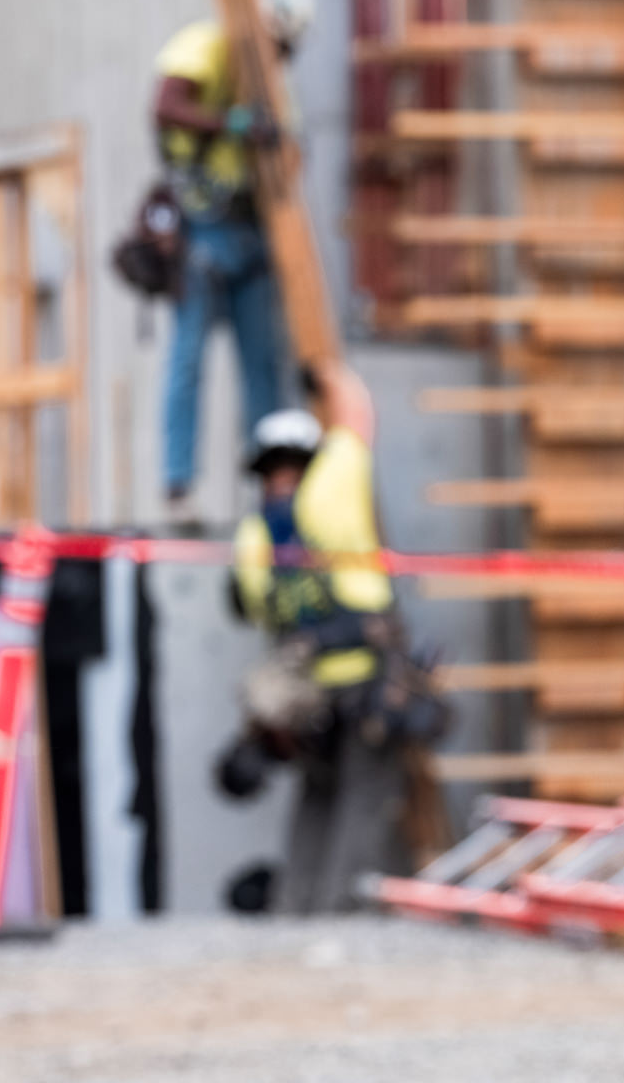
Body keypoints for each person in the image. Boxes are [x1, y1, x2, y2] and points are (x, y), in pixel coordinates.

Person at [216, 364, 446, 913]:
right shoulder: (328, 495)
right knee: (364, 797)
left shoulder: (254, 537)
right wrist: (330, 376)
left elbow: (254, 609)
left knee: (317, 797)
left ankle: (296, 908)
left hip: (305, 700)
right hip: (366, 682)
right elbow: (357, 419)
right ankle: (338, 913)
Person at [151, 0, 315, 522]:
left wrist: (277, 143)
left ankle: (273, 492)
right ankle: (179, 485)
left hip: (252, 228)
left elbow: (292, 154)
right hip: (204, 224)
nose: (280, 56)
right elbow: (166, 104)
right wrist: (231, 123)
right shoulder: (206, 48)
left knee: (262, 365)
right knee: (189, 358)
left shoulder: (275, 89)